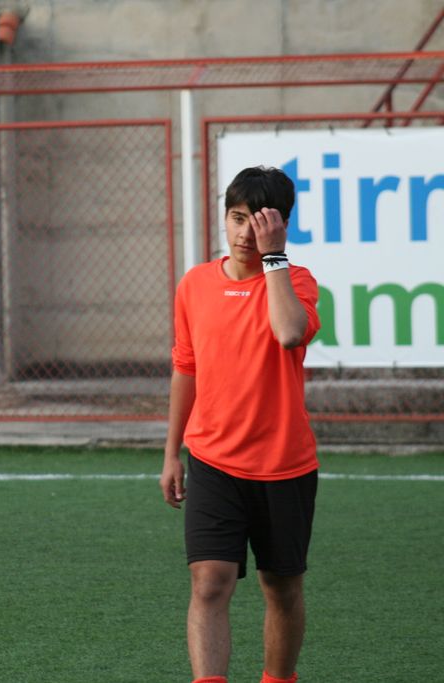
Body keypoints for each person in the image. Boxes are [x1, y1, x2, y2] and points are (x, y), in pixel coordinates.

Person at [159, 166, 321, 683]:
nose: (245, 233)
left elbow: (289, 332)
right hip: (213, 461)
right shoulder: (194, 285)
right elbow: (186, 368)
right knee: (209, 583)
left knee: (282, 588)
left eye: (259, 221)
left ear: (280, 226)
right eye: (236, 218)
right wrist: (171, 453)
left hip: (284, 465)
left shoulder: (296, 281)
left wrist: (275, 258)